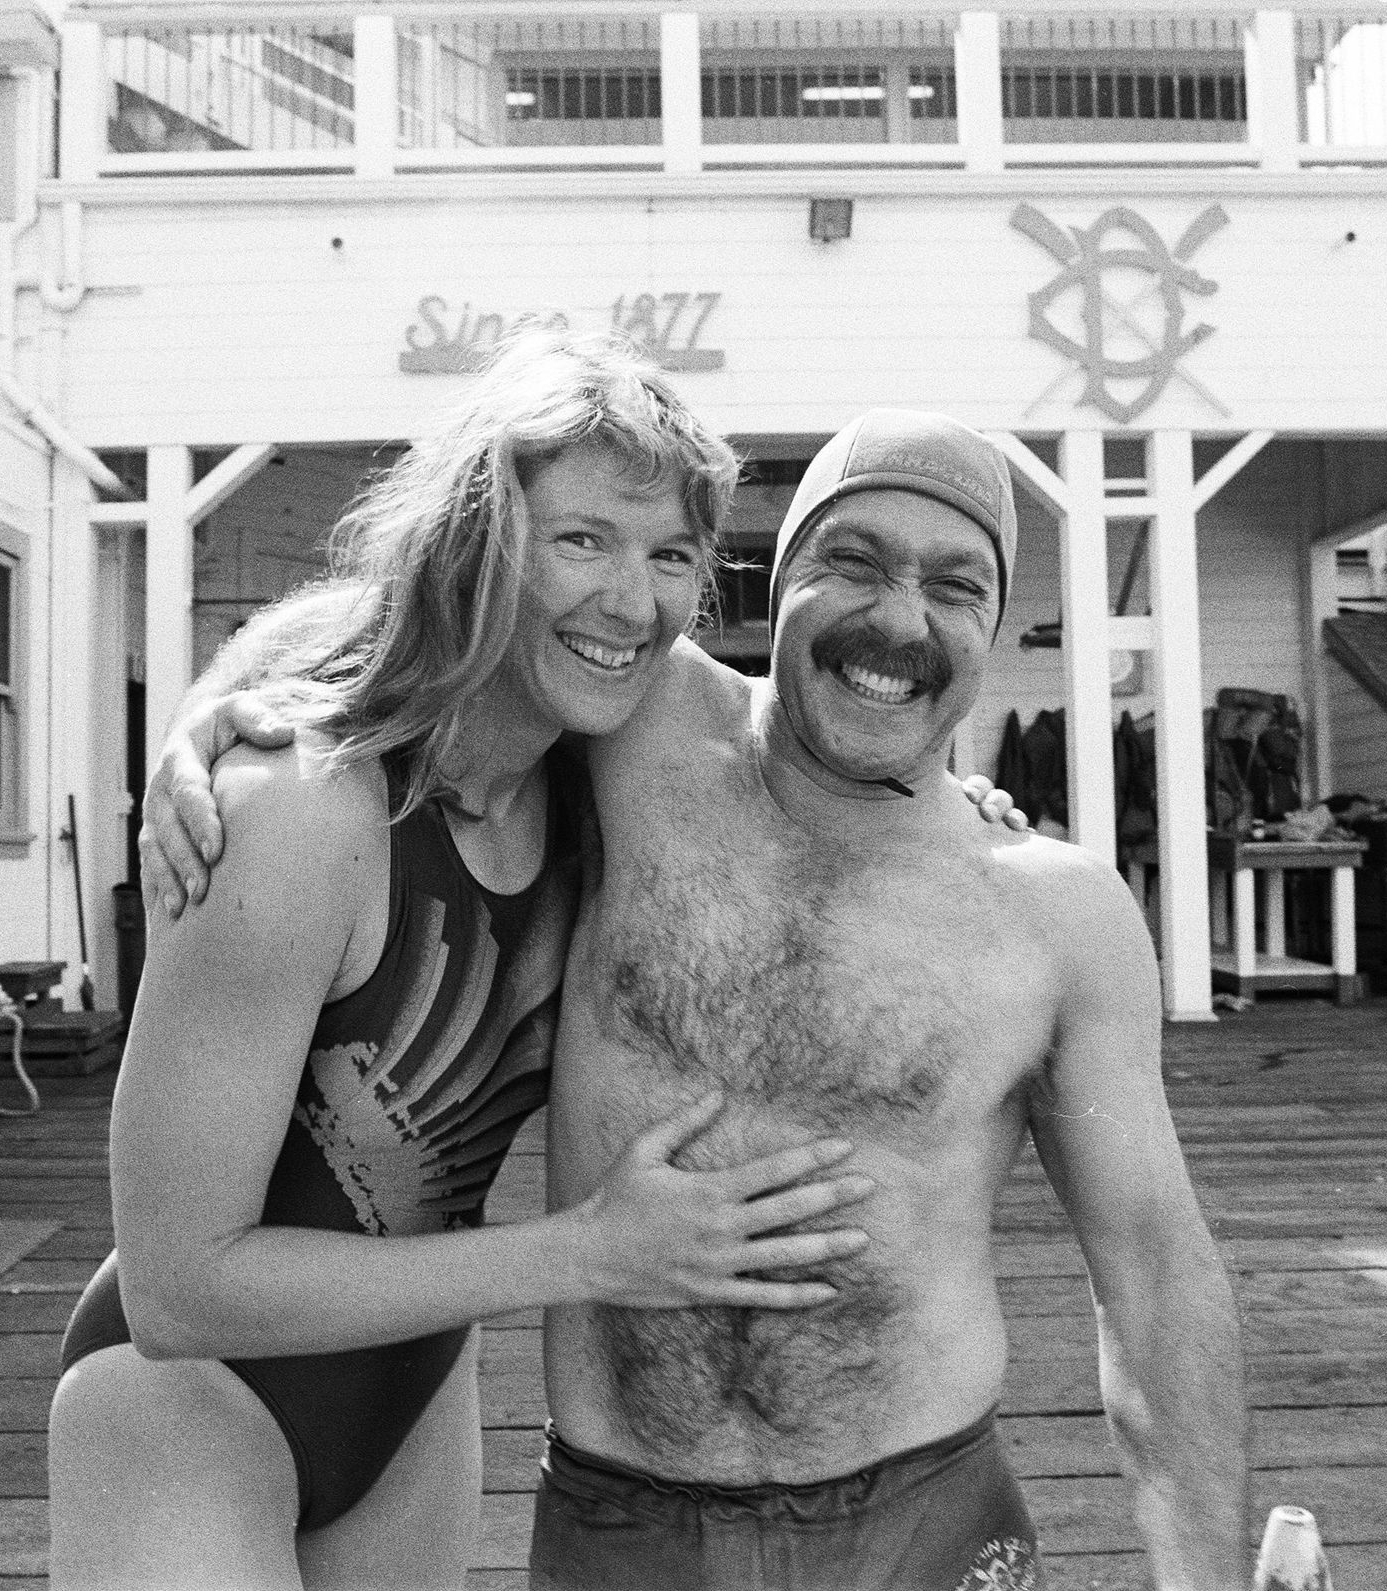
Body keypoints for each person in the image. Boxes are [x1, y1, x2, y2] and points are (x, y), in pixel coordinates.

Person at [150, 411, 1246, 1589]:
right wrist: (213, 721)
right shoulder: (643, 731)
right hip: (625, 1529)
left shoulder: (1057, 913)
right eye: (854, 563)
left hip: (923, 1524)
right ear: (781, 583)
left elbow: (1154, 1273)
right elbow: (422, 611)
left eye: (955, 585)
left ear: (990, 624)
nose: (899, 620)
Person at [47, 333, 888, 1591]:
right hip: (183, 1401)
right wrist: (590, 1250)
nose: (635, 602)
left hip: (413, 1396)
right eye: (584, 539)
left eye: (671, 555)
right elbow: (178, 1285)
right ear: (477, 543)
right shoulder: (305, 819)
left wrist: (957, 808)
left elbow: (783, 738)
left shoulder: (602, 775)